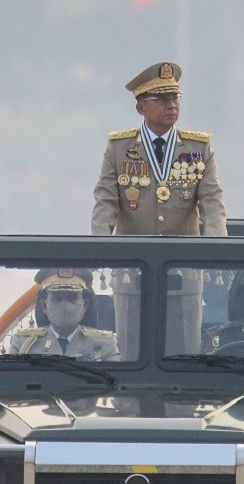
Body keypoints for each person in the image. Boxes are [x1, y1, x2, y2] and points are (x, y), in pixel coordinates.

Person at [90, 62, 225, 356]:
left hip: (184, 270)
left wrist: (215, 244)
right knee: (130, 352)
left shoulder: (198, 147)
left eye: (175, 99)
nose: (172, 106)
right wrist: (99, 245)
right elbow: (106, 200)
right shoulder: (120, 148)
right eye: (162, 100)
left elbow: (212, 201)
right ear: (141, 108)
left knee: (185, 352)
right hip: (132, 273)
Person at [8, 268, 120, 361]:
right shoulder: (23, 344)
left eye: (73, 298)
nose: (65, 306)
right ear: (44, 306)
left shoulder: (106, 344)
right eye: (57, 298)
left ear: (85, 305)